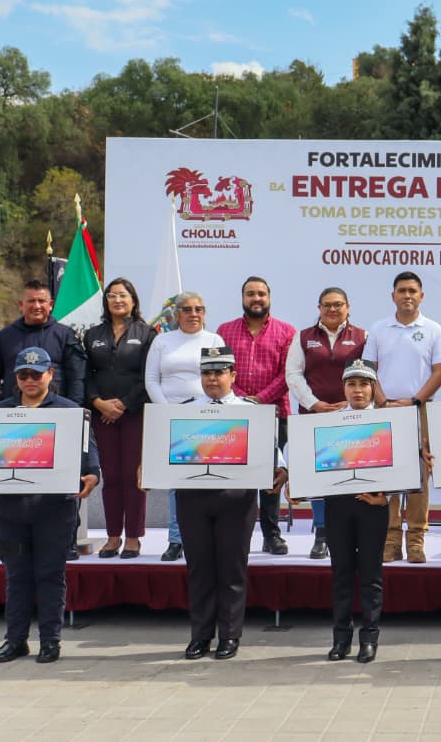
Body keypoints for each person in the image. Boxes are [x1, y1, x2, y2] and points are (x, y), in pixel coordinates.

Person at [0, 347, 100, 664]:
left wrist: (93, 475)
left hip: (54, 509)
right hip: (10, 510)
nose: (30, 380)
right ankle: (15, 640)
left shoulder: (70, 412)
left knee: (50, 574)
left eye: (36, 373)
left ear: (50, 375)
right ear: (16, 377)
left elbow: (89, 453)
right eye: (23, 374)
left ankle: (50, 641)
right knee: (17, 576)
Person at [179, 347, 287, 661]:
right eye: (207, 373)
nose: (213, 379)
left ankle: (229, 635)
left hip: (236, 500)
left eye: (219, 372)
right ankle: (200, 636)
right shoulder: (184, 410)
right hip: (193, 497)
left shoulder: (251, 410)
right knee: (199, 568)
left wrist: (280, 469)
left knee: (232, 568)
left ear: (233, 376)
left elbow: (272, 453)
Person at [362, 271, 441, 564]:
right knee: (388, 474)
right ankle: (390, 541)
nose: (407, 295)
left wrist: (415, 400)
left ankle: (415, 540)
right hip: (384, 409)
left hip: (420, 409)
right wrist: (384, 401)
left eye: (413, 291)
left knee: (419, 476)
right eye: (402, 290)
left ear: (421, 296)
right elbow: (369, 369)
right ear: (393, 296)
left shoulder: (434, 329)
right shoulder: (378, 329)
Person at [287, 286, 370, 561]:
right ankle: (322, 534)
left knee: (348, 474)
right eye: (327, 305)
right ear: (319, 308)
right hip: (314, 416)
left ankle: (350, 533)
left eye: (338, 305)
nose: (332, 310)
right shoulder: (304, 337)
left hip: (351, 416)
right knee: (319, 477)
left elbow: (367, 375)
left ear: (348, 307)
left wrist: (349, 405)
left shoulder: (362, 337)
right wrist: (315, 404)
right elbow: (293, 375)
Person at [217, 277, 297, 556]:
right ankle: (239, 534)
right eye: (251, 294)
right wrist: (241, 400)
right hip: (234, 415)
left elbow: (288, 374)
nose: (256, 298)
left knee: (272, 477)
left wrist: (259, 400)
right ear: (242, 298)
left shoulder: (287, 332)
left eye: (261, 294)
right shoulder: (224, 331)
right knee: (238, 477)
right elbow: (222, 371)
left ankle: (271, 534)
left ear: (269, 297)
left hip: (276, 413)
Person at [144, 292, 224, 561]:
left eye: (199, 309)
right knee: (177, 482)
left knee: (207, 478)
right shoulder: (162, 341)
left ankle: (206, 536)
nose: (193, 314)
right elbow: (151, 380)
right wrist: (169, 414)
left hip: (205, 416)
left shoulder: (214, 340)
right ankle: (176, 539)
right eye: (187, 309)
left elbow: (221, 378)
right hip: (170, 416)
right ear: (176, 314)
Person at [84, 278, 154, 559]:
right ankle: (113, 537)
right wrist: (99, 403)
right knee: (111, 477)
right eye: (112, 296)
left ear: (133, 301)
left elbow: (148, 376)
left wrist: (123, 404)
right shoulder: (92, 335)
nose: (117, 300)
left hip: (134, 413)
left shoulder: (148, 333)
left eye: (123, 295)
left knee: (132, 476)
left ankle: (134, 537)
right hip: (103, 416)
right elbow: (86, 376)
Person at [323, 360, 389, 663]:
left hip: (373, 505)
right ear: (344, 388)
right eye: (352, 384)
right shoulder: (330, 423)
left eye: (364, 384)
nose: (358, 390)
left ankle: (369, 639)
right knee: (342, 573)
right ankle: (340, 639)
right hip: (338, 505)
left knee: (371, 574)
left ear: (373, 389)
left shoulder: (388, 422)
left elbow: (402, 465)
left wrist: (386, 495)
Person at [0, 279, 86, 407]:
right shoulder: (2, 337)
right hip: (12, 414)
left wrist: (73, 412)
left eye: (42, 301)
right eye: (31, 301)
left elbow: (77, 378)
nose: (37, 306)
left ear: (51, 304)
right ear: (21, 304)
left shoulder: (66, 335)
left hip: (57, 413)